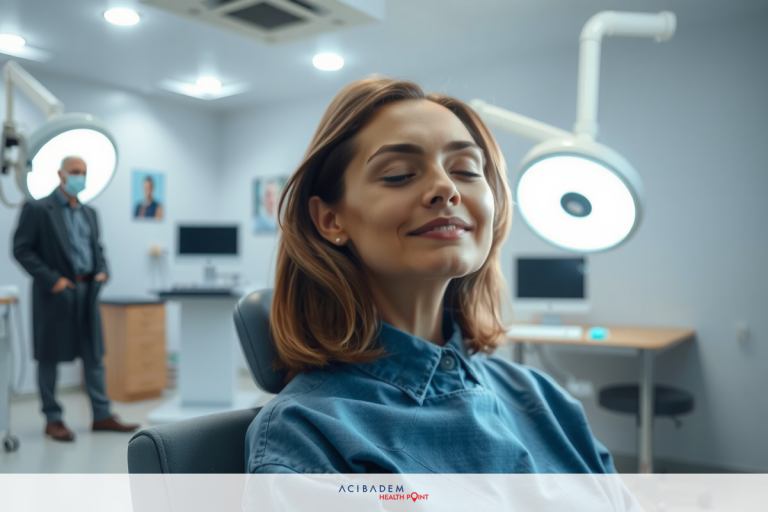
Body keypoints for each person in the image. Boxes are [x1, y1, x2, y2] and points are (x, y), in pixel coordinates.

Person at [243, 78, 616, 473]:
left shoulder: (546, 400)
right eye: (400, 174)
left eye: (467, 170)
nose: (446, 187)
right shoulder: (308, 435)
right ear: (330, 218)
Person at [13, 156, 140, 441]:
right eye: (74, 172)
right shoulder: (37, 208)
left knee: (94, 355)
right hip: (55, 293)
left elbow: (98, 249)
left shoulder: (89, 213)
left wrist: (103, 271)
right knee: (49, 357)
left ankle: (102, 414)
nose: (79, 177)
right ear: (60, 174)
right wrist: (53, 280)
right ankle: (53, 418)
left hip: (88, 292)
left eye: (83, 172)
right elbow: (21, 249)